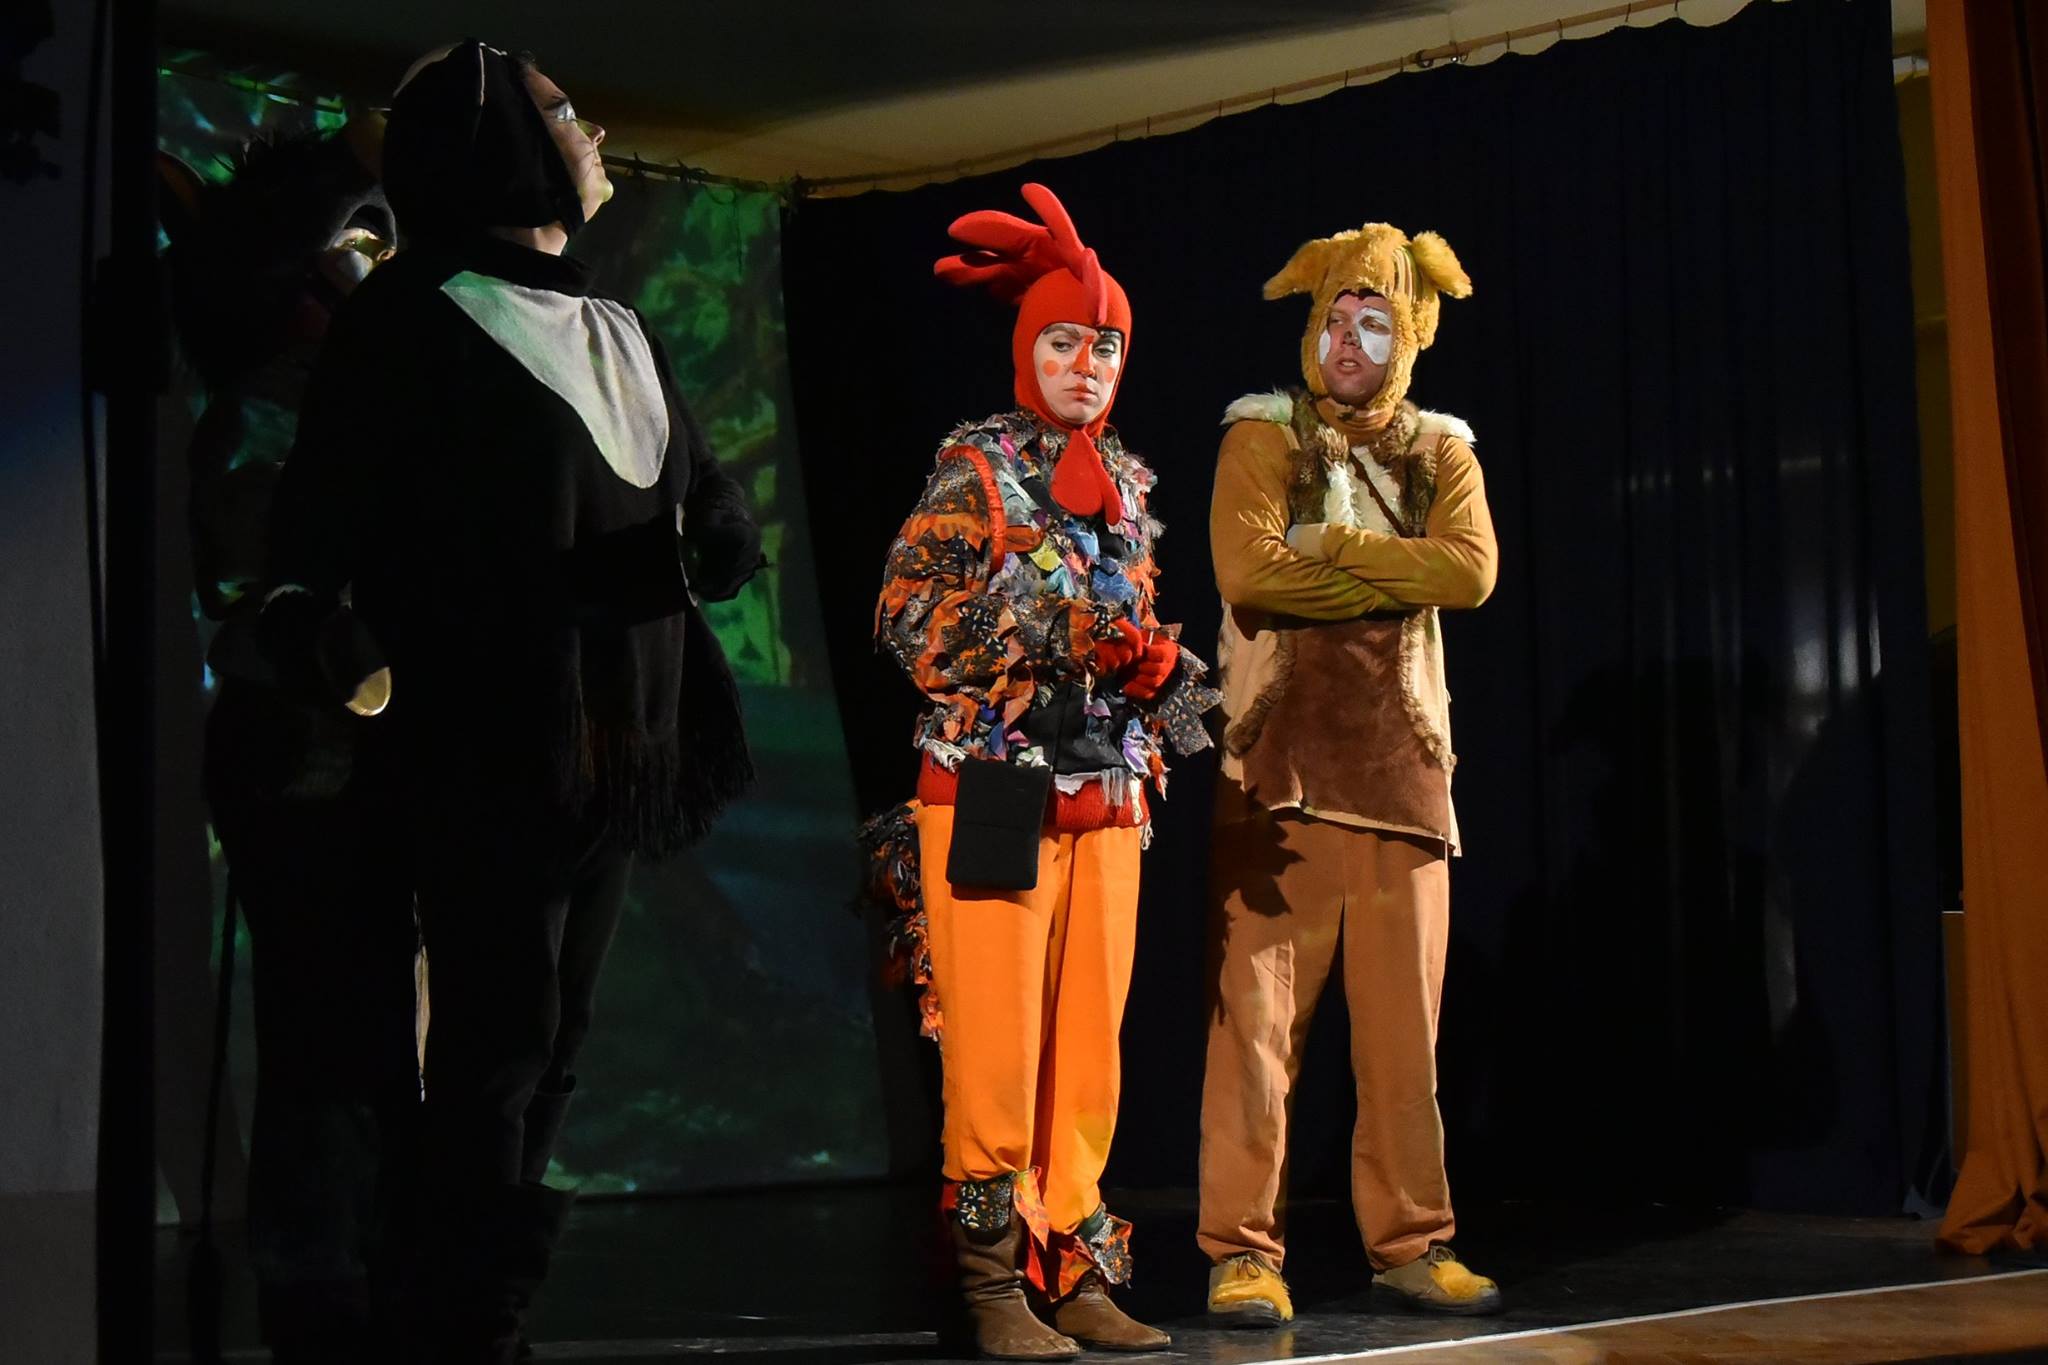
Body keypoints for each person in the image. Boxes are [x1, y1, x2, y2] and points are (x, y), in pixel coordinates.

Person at [262, 41, 761, 1363]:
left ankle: (478, 1300)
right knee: (498, 1041)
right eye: (559, 111)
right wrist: (315, 627)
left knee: (554, 1040)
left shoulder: (618, 325)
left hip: (617, 742)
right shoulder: (410, 317)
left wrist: (719, 525)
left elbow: (692, 481)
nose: (588, 131)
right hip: (489, 742)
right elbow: (320, 528)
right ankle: (453, 1313)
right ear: (496, 145)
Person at [866, 183, 1219, 1359]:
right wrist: (1055, 631)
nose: (1084, 365)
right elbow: (907, 623)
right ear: (1027, 350)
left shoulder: (1126, 482)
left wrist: (1158, 668)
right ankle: (987, 1282)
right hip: (994, 790)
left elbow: (1129, 635)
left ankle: (1074, 1267)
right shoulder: (974, 469)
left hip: (1106, 795)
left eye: (1103, 347)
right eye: (1063, 342)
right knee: (997, 1047)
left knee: (1086, 1058)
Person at [1199, 222, 1503, 1323]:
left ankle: (1413, 1243)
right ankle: (1241, 1251)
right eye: (1334, 315)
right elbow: (1248, 571)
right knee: (1253, 1039)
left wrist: (1328, 551)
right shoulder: (1262, 435)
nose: (1347, 337)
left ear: (1407, 335)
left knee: (1402, 1045)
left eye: (1373, 319)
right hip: (1274, 779)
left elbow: (1469, 573)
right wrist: (1389, 579)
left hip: (1402, 781)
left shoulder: (1441, 452)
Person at [163, 120, 416, 1365]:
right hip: (299, 765)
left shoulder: (359, 407)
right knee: (323, 1028)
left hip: (368, 770)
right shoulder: (265, 413)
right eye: (353, 248)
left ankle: (368, 1262)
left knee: (372, 1027)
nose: (373, 270)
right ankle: (317, 1280)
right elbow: (248, 598)